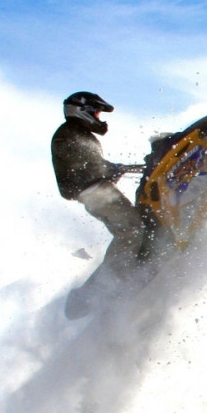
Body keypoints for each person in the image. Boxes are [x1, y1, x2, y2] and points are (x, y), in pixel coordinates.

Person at [51, 91, 147, 279]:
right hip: (95, 192)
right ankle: (111, 283)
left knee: (135, 225)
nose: (98, 118)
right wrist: (109, 169)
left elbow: (88, 165)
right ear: (83, 111)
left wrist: (112, 170)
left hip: (95, 192)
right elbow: (84, 163)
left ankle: (133, 266)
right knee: (131, 230)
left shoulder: (77, 133)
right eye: (96, 113)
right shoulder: (68, 134)